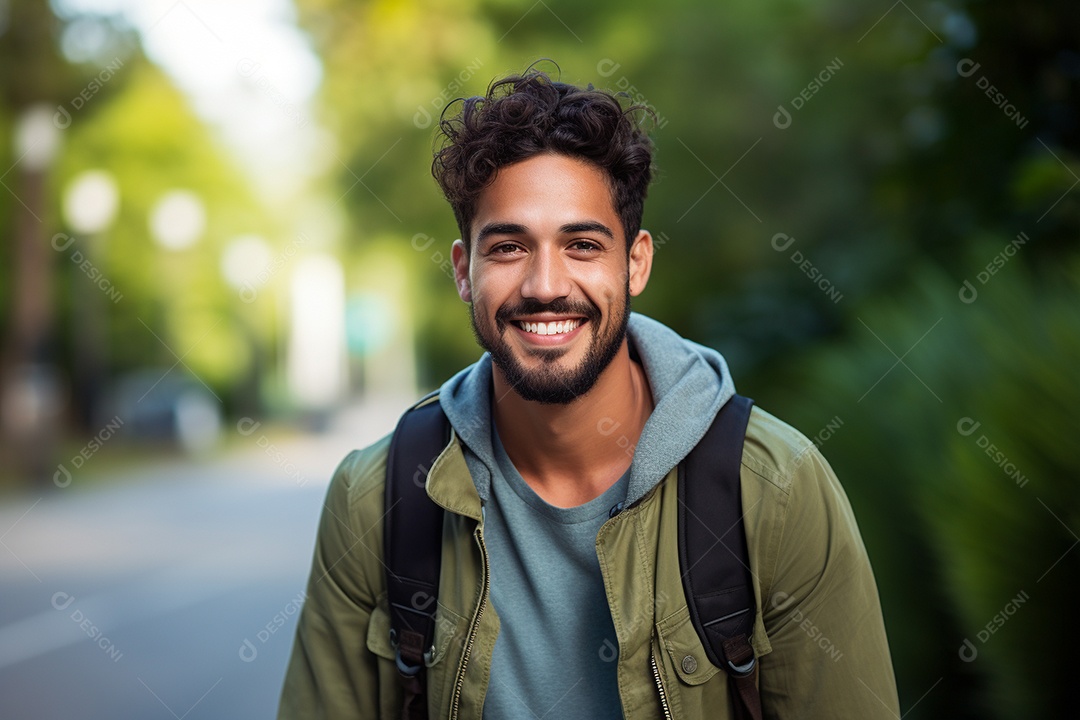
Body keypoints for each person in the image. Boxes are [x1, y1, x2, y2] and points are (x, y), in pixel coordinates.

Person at [277, 66, 900, 719]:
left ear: (635, 262)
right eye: (510, 247)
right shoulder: (375, 497)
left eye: (581, 244)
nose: (546, 284)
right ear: (465, 272)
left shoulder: (774, 491)